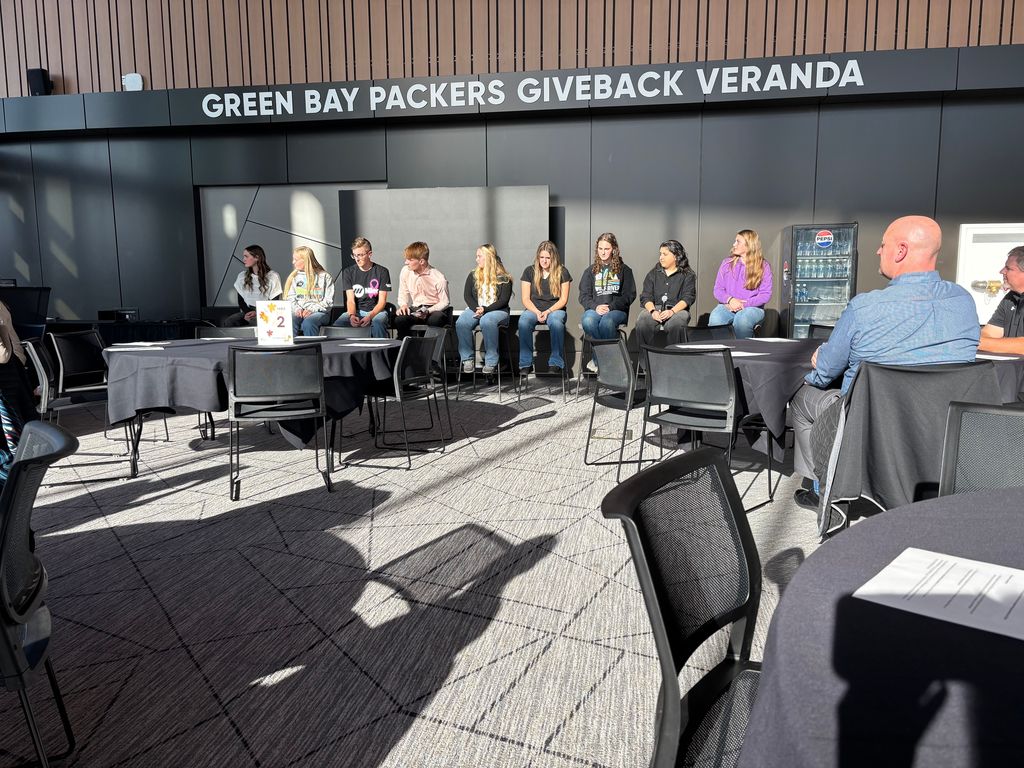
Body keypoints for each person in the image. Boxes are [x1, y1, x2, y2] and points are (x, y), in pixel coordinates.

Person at [789, 215, 980, 509]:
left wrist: (818, 364)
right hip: (942, 424)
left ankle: (823, 489)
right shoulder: (963, 301)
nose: (878, 251)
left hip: (868, 422)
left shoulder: (864, 307)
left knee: (802, 398)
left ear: (901, 250)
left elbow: (825, 374)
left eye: (882, 245)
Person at [579, 232, 636, 372]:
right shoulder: (590, 271)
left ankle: (599, 360)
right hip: (595, 309)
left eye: (606, 249)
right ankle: (608, 360)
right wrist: (595, 307)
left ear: (614, 249)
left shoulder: (624, 270)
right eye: (600, 249)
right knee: (588, 321)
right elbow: (583, 296)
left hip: (617, 311)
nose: (603, 252)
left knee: (607, 322)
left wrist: (611, 307)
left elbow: (629, 295)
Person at [456, 244, 513, 374]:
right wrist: (477, 309)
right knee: (462, 323)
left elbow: (503, 300)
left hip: (497, 310)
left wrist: (485, 310)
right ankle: (467, 359)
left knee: (487, 321)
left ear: (488, 258)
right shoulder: (473, 275)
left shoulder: (504, 278)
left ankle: (491, 361)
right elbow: (467, 296)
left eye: (479, 256)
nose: (476, 259)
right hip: (476, 308)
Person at [518, 241, 572, 375]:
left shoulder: (562, 272)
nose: (544, 261)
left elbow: (564, 300)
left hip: (555, 310)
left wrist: (548, 311)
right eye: (542, 257)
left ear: (553, 258)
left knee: (556, 322)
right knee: (523, 321)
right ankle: (526, 363)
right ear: (538, 257)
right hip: (533, 309)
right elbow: (525, 299)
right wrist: (537, 312)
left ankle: (555, 363)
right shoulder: (529, 271)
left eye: (548, 258)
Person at [709, 229, 773, 339]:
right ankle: (723, 351)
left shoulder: (763, 266)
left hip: (752, 307)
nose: (734, 244)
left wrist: (743, 304)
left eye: (738, 241)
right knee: (716, 318)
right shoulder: (726, 263)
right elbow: (718, 289)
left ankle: (743, 352)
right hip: (728, 305)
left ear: (749, 246)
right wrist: (730, 300)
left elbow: (765, 295)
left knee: (742, 319)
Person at [0, 301, 37, 488]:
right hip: (11, 371)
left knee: (10, 445)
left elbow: (3, 353)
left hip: (7, 373)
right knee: (13, 441)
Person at [636, 239, 696, 349]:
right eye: (660, 254)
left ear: (676, 256)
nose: (661, 257)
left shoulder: (688, 275)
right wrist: (653, 311)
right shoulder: (653, 273)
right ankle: (646, 361)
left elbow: (688, 298)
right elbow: (646, 296)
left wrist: (672, 311)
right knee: (643, 320)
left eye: (665, 254)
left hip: (677, 310)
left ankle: (673, 360)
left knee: (677, 323)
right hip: (656, 309)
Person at [333, 236, 391, 338]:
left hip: (377, 312)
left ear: (369, 254)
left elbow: (382, 302)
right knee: (338, 325)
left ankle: (381, 352)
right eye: (354, 255)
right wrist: (352, 315)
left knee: (378, 323)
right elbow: (350, 300)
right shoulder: (348, 272)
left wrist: (370, 316)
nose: (357, 258)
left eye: (360, 255)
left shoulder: (382, 271)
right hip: (357, 311)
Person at [394, 241, 451, 339]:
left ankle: (429, 350)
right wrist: (403, 305)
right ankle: (405, 350)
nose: (406, 262)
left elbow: (445, 302)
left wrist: (428, 311)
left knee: (436, 319)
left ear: (421, 261)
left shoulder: (438, 278)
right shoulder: (405, 271)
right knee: (400, 319)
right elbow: (403, 292)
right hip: (416, 309)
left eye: (410, 260)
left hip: (433, 310)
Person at [978, 245, 1024, 354]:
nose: (1002, 271)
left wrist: (974, 343)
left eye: (1008, 268)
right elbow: (989, 333)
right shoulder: (1010, 298)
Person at [222, 244, 283, 327]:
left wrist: (257, 312)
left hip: (266, 312)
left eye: (246, 256)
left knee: (255, 322)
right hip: (247, 311)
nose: (244, 259)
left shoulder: (272, 276)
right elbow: (241, 301)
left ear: (257, 257)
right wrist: (247, 313)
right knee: (230, 322)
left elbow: (274, 301)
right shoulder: (242, 276)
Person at [283, 245, 335, 336]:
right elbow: (290, 297)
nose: (293, 262)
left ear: (305, 260)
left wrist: (312, 310)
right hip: (298, 311)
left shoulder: (324, 277)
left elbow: (328, 302)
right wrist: (297, 309)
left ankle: (312, 348)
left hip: (319, 312)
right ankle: (291, 349)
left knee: (309, 323)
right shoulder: (294, 277)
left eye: (296, 259)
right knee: (289, 320)